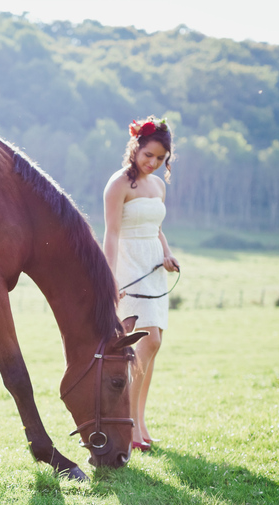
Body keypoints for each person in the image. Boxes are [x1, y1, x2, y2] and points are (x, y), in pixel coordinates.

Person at [102, 116, 180, 452]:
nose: (153, 163)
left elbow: (156, 227)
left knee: (154, 344)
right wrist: (110, 278)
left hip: (154, 267)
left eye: (160, 159)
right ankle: (127, 424)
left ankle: (140, 422)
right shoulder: (118, 184)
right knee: (144, 343)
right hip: (128, 266)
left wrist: (167, 253)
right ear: (136, 148)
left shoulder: (158, 186)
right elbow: (112, 232)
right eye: (148, 155)